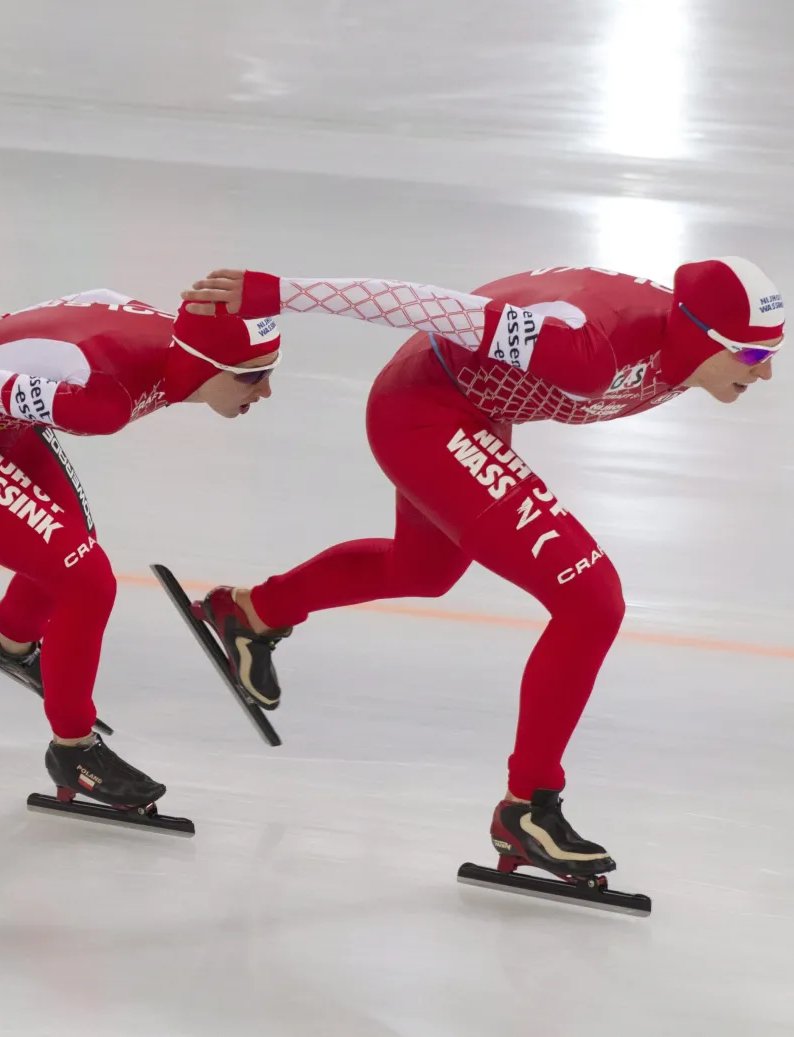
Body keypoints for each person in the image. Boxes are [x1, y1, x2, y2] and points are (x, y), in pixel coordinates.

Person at [180, 259, 782, 879]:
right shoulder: (585, 350)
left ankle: (248, 613)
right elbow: (427, 304)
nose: (765, 372)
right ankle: (528, 810)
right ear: (700, 336)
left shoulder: (682, 340)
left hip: (468, 402)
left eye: (770, 353)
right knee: (591, 599)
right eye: (750, 355)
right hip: (426, 410)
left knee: (425, 569)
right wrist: (282, 292)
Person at [0, 287, 279, 819]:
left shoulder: (178, 334)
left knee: (72, 549)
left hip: (7, 427)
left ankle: (9, 639)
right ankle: (73, 752)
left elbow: (99, 298)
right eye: (253, 375)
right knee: (86, 579)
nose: (266, 390)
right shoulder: (107, 403)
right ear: (209, 364)